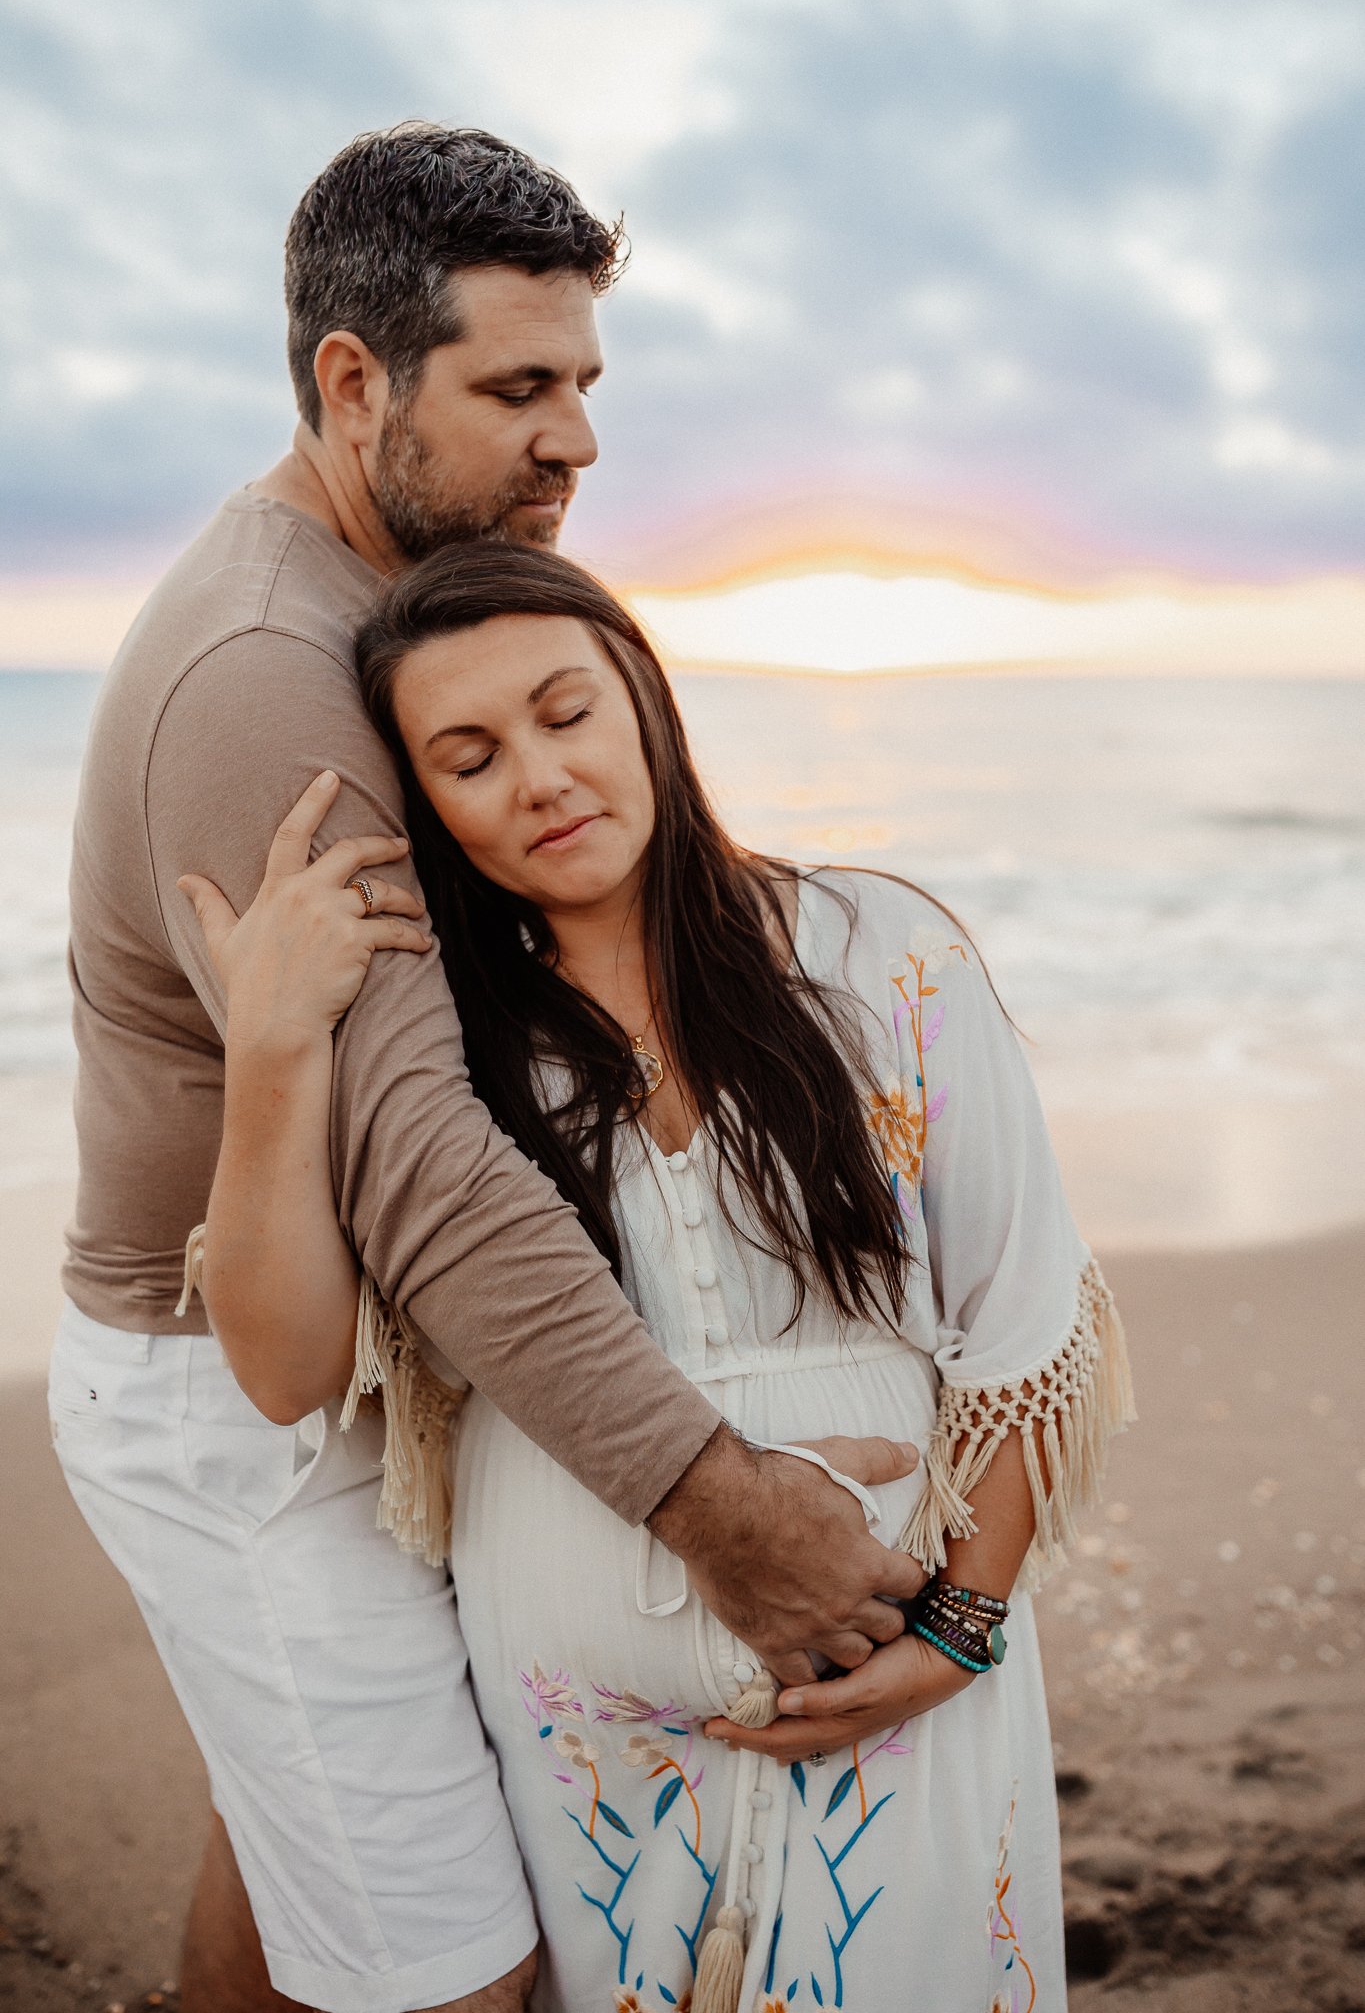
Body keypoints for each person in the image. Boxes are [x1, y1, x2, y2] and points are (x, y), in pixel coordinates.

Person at [50, 125, 926, 2013]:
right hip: (245, 1401)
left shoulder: (375, 603)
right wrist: (723, 1506)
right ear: (352, 383)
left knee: (319, 1883)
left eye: (587, 385)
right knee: (461, 1972)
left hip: (344, 1369)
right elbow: (419, 1159)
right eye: (519, 388)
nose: (579, 441)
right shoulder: (271, 670)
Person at [182, 540, 1135, 2013]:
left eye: (566, 713)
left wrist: (958, 1631)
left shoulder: (879, 954)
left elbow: (1024, 1330)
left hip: (899, 1693)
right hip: (583, 1742)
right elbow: (284, 1363)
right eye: (469, 755)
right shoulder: (440, 1052)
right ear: (423, 799)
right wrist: (271, 1048)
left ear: (643, 701)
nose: (541, 778)